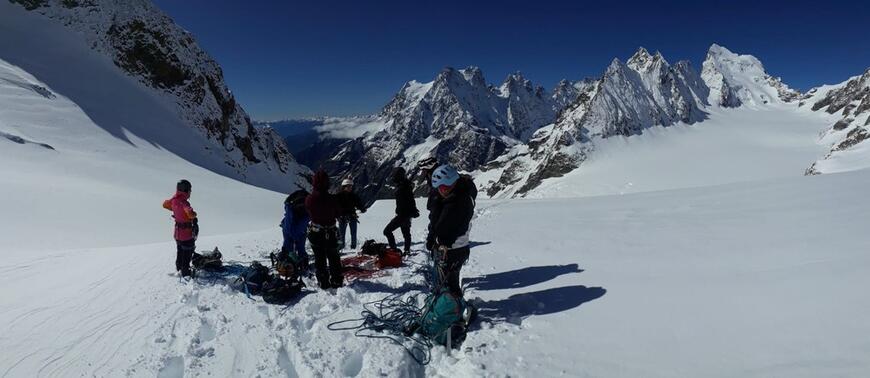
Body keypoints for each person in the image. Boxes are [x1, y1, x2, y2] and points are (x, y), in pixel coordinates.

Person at [427, 165, 476, 296]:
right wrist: (432, 238)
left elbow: (457, 227)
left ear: (453, 182)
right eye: (439, 188)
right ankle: (449, 303)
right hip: (449, 249)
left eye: (444, 187)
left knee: (449, 285)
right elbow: (436, 222)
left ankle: (454, 306)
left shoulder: (461, 201)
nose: (442, 191)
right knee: (446, 282)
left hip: (454, 250)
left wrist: (443, 242)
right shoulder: (447, 198)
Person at [305, 170, 344, 289]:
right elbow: (338, 213)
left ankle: (323, 281)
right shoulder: (333, 199)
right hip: (331, 232)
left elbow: (308, 211)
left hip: (316, 232)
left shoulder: (309, 199)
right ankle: (337, 280)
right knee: (334, 257)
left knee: (319, 258)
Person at [162, 179, 198, 278]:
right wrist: (194, 214)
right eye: (189, 190)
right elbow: (190, 213)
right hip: (186, 234)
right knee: (187, 252)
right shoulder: (184, 202)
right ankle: (186, 273)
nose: (190, 192)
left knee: (180, 251)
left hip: (177, 233)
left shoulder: (174, 200)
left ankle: (179, 268)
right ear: (185, 190)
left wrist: (175, 209)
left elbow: (165, 204)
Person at [383, 167, 418, 255]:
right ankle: (406, 250)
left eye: (395, 175)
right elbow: (411, 200)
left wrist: (413, 210)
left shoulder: (404, 186)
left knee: (387, 231)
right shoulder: (405, 185)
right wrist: (414, 211)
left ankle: (394, 250)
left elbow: (410, 200)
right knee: (406, 233)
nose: (393, 177)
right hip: (406, 215)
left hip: (402, 215)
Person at [281, 189, 311, 270]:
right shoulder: (305, 211)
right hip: (298, 228)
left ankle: (289, 263)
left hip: (293, 228)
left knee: (290, 246)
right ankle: (300, 263)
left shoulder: (290, 208)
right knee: (298, 247)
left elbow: (289, 224)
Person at [336, 178, 366, 250]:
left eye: (351, 186)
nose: (350, 188)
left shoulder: (352, 195)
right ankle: (341, 247)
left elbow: (358, 203)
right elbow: (335, 206)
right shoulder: (339, 196)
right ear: (344, 187)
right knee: (341, 234)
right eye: (349, 186)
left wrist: (362, 208)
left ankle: (353, 247)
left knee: (352, 233)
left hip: (349, 216)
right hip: (343, 217)